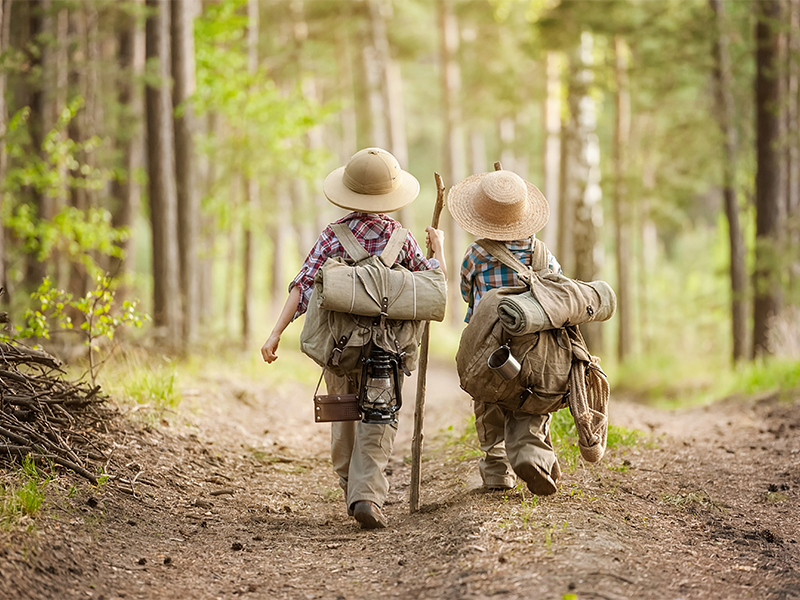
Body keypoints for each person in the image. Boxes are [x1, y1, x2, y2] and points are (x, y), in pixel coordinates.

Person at [261, 147, 447, 529]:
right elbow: (434, 288)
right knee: (380, 418)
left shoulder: (333, 236)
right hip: (387, 350)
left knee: (344, 413)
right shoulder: (403, 240)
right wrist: (438, 250)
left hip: (339, 347)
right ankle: (366, 495)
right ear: (390, 197)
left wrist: (276, 333)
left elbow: (302, 286)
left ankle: (350, 482)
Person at [448, 168, 562, 495]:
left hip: (491, 346)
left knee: (489, 400)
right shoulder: (542, 254)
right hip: (537, 345)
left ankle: (497, 469)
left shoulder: (476, 255)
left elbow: (468, 296)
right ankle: (530, 453)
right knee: (532, 399)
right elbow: (556, 290)